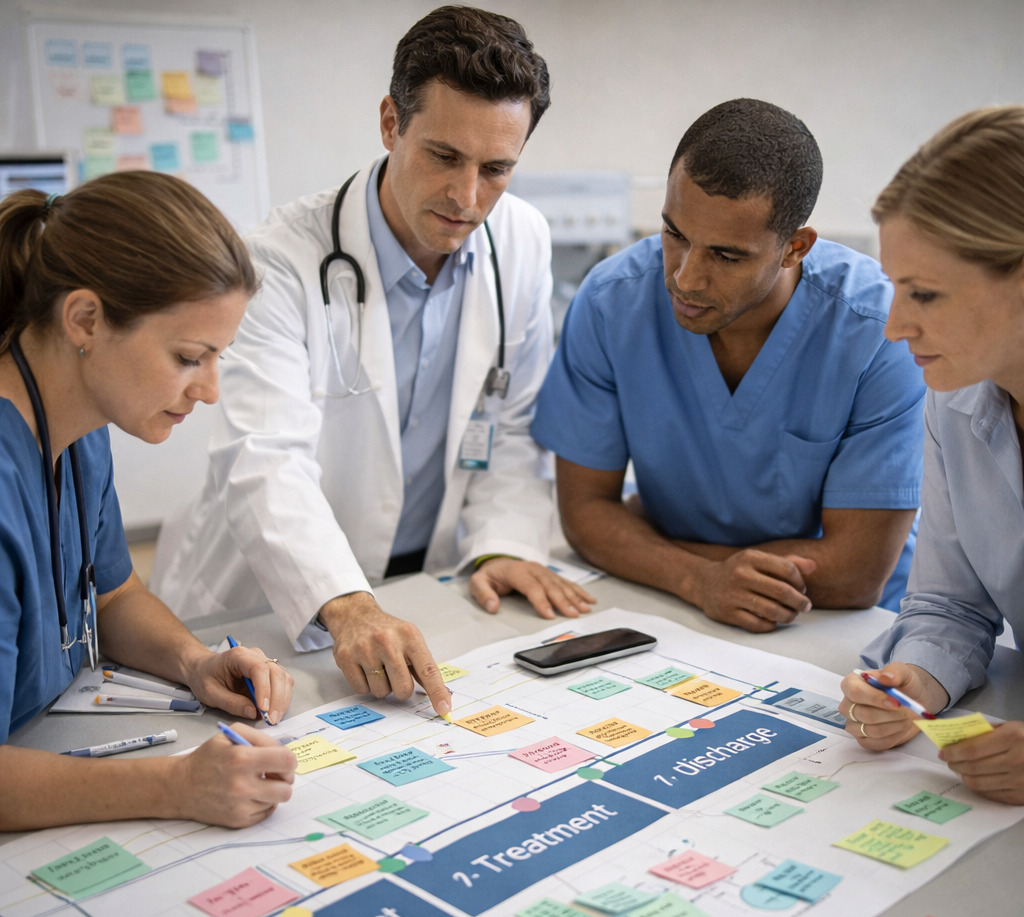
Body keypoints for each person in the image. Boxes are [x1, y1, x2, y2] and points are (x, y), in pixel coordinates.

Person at [152, 5, 594, 718]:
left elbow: (512, 424)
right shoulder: (280, 259)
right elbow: (265, 457)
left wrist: (502, 544)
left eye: (497, 169)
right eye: (445, 156)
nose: (467, 196)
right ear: (391, 123)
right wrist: (344, 601)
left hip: (427, 588)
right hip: (273, 603)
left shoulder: (523, 240)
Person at [531, 98, 925, 634]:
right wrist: (698, 580)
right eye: (674, 234)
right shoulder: (610, 302)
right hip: (685, 605)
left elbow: (856, 571)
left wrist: (662, 555)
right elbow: (585, 515)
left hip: (852, 627)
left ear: (794, 248)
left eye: (726, 255)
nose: (686, 279)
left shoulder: (877, 331)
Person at [0, 171, 297, 831]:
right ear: (85, 320)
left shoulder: (78, 433)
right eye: (190, 357)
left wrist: (194, 662)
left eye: (218, 357)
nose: (210, 390)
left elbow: (111, 595)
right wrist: (175, 787)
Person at [839, 106, 1024, 806]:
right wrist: (916, 678)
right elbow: (952, 603)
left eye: (925, 294)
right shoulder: (957, 394)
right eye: (893, 287)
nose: (894, 326)